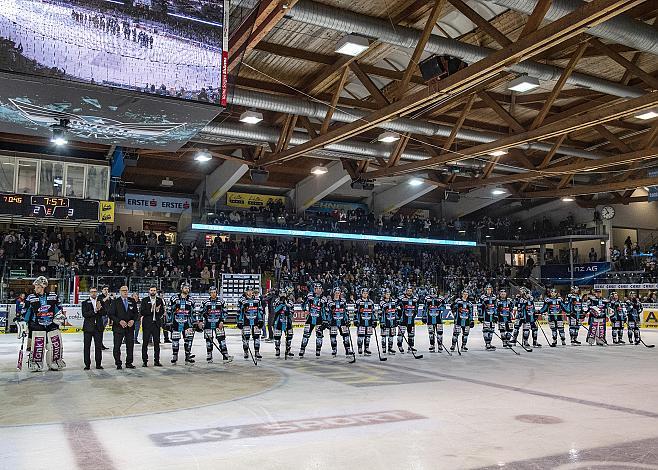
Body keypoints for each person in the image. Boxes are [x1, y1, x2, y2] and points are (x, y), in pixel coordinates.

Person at [17, 276, 66, 371]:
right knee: (38, 346)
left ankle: (55, 361)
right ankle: (35, 363)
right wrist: (24, 323)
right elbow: (26, 311)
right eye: (35, 286)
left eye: (37, 286)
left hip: (51, 325)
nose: (35, 288)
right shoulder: (31, 298)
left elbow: (58, 309)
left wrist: (59, 316)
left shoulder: (53, 296)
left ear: (43, 287)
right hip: (37, 325)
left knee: (55, 344)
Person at [109, 285, 138, 369]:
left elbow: (136, 313)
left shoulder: (132, 300)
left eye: (126, 290)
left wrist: (133, 320)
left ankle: (129, 362)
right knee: (117, 346)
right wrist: (119, 321)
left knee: (130, 346)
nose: (125, 292)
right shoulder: (115, 301)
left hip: (130, 328)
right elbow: (111, 314)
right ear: (120, 292)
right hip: (118, 328)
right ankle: (118, 363)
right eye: (123, 290)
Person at [167, 283, 196, 364]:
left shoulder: (191, 299)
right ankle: (175, 356)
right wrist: (169, 321)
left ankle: (188, 356)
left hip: (187, 323)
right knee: (175, 340)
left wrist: (195, 322)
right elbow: (169, 310)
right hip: (176, 322)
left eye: (188, 288)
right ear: (181, 288)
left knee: (188, 340)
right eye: (185, 288)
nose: (187, 289)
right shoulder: (174, 298)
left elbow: (193, 312)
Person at [202, 286, 233, 363]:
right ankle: (209, 354)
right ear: (209, 293)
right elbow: (201, 312)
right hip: (208, 323)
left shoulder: (221, 302)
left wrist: (222, 321)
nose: (213, 294)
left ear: (217, 293)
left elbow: (225, 312)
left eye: (214, 292)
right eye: (211, 292)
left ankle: (225, 355)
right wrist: (200, 320)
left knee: (221, 339)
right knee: (208, 340)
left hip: (218, 323)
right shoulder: (205, 302)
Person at [299, 282, 327, 358]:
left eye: (319, 288)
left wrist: (325, 320)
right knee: (306, 335)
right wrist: (305, 310)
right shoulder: (310, 296)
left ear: (321, 289)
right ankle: (302, 349)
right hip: (310, 318)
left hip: (319, 319)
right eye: (316, 288)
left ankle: (318, 350)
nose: (318, 290)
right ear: (314, 289)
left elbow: (324, 310)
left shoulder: (324, 298)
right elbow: (303, 304)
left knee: (319, 336)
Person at [139, 286, 165, 367]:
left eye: (154, 290)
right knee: (145, 343)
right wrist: (151, 310)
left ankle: (157, 361)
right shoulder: (144, 300)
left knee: (157, 343)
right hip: (147, 325)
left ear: (156, 291)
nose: (153, 292)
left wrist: (158, 311)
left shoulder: (159, 300)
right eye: (151, 290)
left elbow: (162, 311)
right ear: (149, 291)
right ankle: (144, 361)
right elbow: (142, 312)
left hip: (156, 324)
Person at [237, 286, 264, 360]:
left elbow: (260, 310)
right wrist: (239, 321)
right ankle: (246, 351)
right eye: (248, 291)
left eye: (251, 291)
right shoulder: (242, 300)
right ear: (245, 292)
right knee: (246, 337)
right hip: (246, 320)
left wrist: (261, 320)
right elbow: (239, 311)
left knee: (257, 336)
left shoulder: (257, 299)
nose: (250, 292)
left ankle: (257, 351)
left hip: (255, 320)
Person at [81, 287, 105, 370]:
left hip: (98, 328)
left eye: (95, 292)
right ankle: (87, 364)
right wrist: (95, 310)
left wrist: (100, 309)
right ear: (89, 293)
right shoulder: (84, 303)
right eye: (92, 292)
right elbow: (85, 314)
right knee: (87, 347)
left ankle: (98, 364)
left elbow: (105, 313)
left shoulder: (101, 302)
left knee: (98, 347)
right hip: (88, 328)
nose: (94, 293)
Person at [327, 287, 352, 358]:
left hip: (342, 321)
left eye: (338, 293)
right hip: (333, 321)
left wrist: (348, 320)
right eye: (336, 293)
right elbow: (328, 312)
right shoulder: (330, 302)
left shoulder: (343, 301)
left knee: (346, 336)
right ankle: (334, 349)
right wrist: (328, 321)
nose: (337, 294)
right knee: (333, 337)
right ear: (333, 293)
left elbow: (345, 312)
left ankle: (348, 350)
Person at [272, 286, 295, 358]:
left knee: (289, 335)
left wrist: (287, 308)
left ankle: (288, 349)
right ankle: (277, 350)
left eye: (284, 293)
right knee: (277, 336)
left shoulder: (290, 301)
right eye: (281, 293)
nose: (283, 295)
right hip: (278, 320)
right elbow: (275, 310)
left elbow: (292, 310)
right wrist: (282, 305)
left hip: (287, 320)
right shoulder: (276, 301)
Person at [354, 287, 377, 355]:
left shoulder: (371, 302)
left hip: (369, 322)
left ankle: (366, 348)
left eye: (366, 293)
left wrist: (374, 320)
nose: (365, 294)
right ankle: (360, 347)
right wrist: (356, 320)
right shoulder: (358, 302)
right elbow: (356, 312)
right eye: (364, 293)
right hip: (361, 321)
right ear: (361, 294)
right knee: (360, 336)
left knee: (368, 336)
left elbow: (373, 312)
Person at [397, 285, 419, 353]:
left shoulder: (415, 299)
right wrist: (399, 315)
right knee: (401, 334)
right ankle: (400, 346)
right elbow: (396, 306)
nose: (409, 292)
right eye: (408, 290)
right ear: (406, 291)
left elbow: (416, 307)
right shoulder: (401, 298)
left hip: (411, 320)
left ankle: (411, 347)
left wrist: (415, 314)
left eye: (410, 291)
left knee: (411, 334)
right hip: (403, 319)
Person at [423, 287, 445, 353]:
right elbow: (425, 307)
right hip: (429, 318)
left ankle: (440, 345)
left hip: (439, 318)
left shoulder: (441, 298)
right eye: (431, 293)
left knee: (440, 333)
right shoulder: (427, 298)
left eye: (434, 293)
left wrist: (439, 308)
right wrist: (424, 316)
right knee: (431, 333)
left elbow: (444, 307)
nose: (433, 295)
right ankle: (432, 345)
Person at [378, 288, 399, 355]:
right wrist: (381, 322)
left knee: (391, 335)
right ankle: (384, 349)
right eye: (386, 294)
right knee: (384, 336)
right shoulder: (381, 302)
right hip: (385, 321)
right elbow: (379, 313)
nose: (388, 295)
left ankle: (390, 348)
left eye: (389, 294)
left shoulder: (393, 302)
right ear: (384, 294)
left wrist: (397, 319)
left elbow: (395, 311)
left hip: (392, 321)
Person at [478, 284, 497, 351]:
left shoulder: (494, 297)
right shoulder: (483, 297)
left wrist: (496, 315)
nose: (489, 290)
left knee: (491, 330)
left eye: (490, 289)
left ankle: (489, 342)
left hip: (492, 316)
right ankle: (487, 343)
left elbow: (496, 307)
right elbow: (479, 307)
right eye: (487, 289)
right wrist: (480, 316)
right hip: (486, 316)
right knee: (486, 330)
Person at [98, 285, 111, 350]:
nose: (106, 291)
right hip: (101, 316)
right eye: (105, 289)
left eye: (107, 289)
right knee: (100, 331)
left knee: (102, 331)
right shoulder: (100, 297)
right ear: (102, 290)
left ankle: (101, 344)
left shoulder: (108, 297)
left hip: (107, 315)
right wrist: (107, 297)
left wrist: (113, 298)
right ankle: (99, 345)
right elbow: (101, 302)